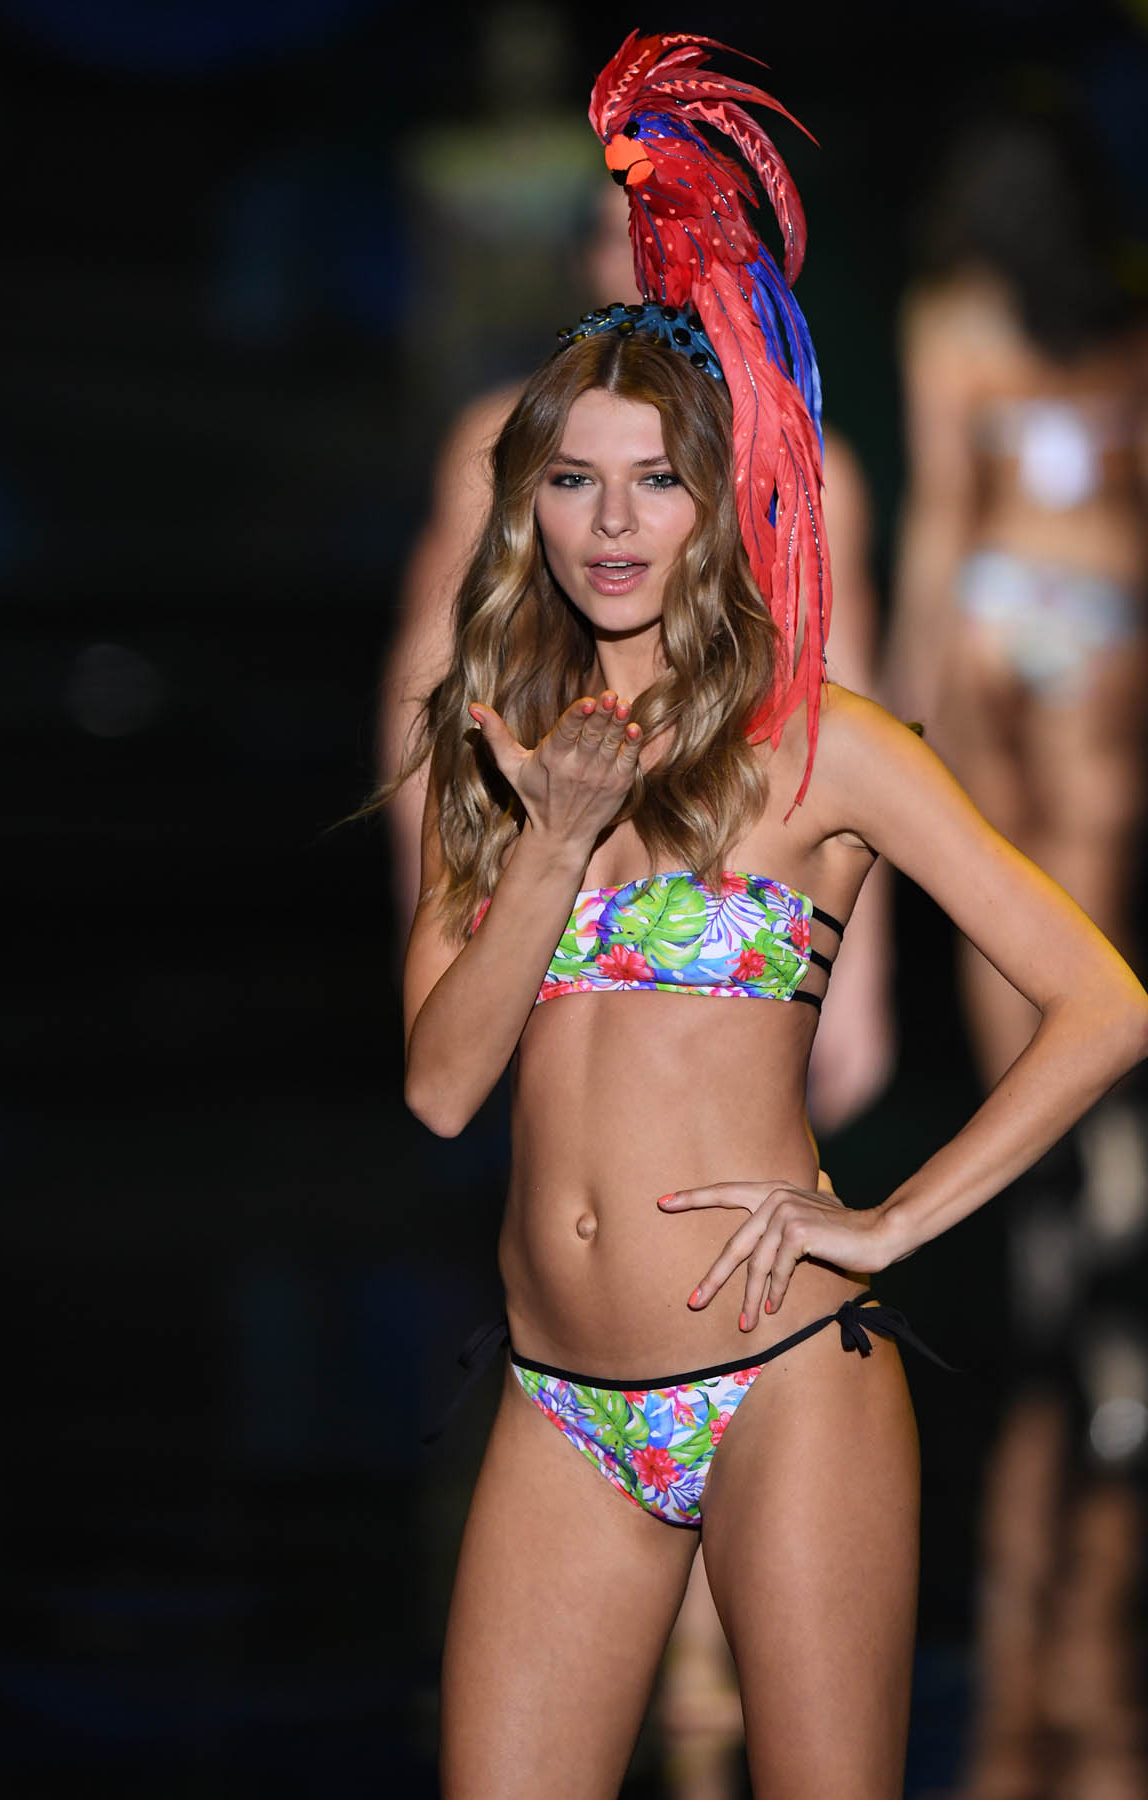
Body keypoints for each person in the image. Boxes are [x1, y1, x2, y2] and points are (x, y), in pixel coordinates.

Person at [381, 35, 1148, 1798]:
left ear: (719, 502)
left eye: (656, 480)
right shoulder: (498, 746)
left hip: (785, 1373)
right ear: (528, 503)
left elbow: (1105, 999)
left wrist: (888, 1222)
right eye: (574, 480)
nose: (612, 524)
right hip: (558, 1405)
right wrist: (555, 843)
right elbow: (438, 1088)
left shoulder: (825, 750)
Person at [888, 101, 1148, 1799]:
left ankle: (1050, 1206)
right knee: (1097, 921)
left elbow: (936, 517)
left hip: (998, 618)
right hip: (1108, 617)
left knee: (1011, 930)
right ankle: (1101, 1197)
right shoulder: (1118, 322)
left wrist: (905, 709)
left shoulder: (951, 314)